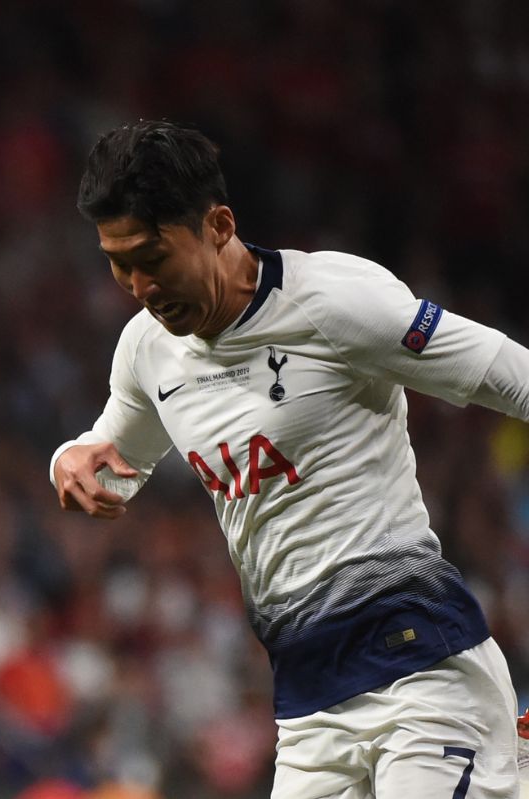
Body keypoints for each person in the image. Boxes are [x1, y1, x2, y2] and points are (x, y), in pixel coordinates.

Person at [51, 120, 529, 798]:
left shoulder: (334, 301)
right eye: (116, 261)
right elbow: (111, 456)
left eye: (151, 257)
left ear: (218, 225)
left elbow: (509, 373)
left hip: (420, 666)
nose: (136, 284)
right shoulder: (147, 352)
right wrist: (68, 462)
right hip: (308, 704)